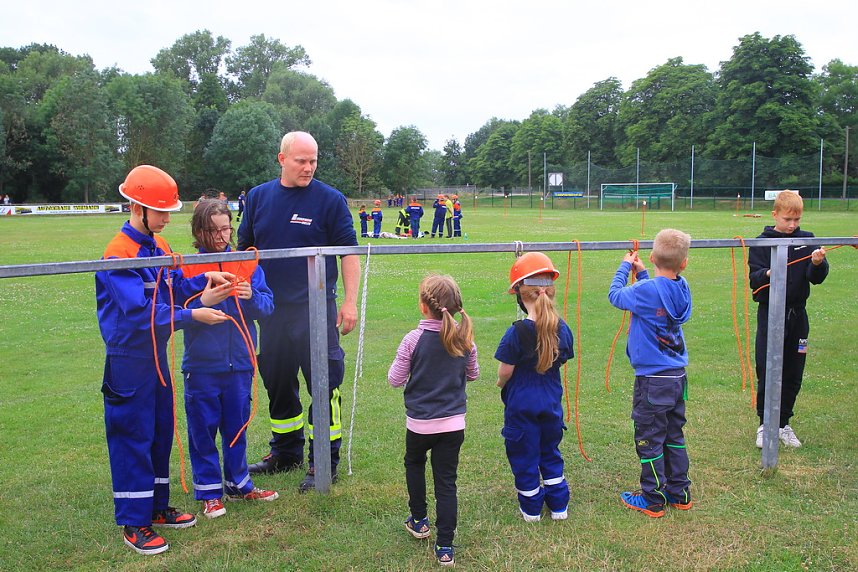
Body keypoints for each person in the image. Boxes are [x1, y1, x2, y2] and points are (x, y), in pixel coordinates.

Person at [96, 165, 233, 555]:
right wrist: (193, 315)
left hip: (155, 354)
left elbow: (173, 291)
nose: (168, 218)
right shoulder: (118, 252)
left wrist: (205, 280)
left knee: (159, 432)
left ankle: (156, 508)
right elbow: (139, 314)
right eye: (161, 211)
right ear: (137, 207)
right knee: (132, 436)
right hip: (128, 358)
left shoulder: (159, 248)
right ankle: (133, 522)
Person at [238, 131, 359, 492]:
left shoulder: (330, 200)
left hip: (316, 309)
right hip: (270, 311)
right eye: (301, 161)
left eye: (313, 161)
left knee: (324, 383)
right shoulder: (258, 198)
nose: (308, 168)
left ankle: (323, 459)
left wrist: (350, 302)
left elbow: (348, 253)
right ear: (282, 159)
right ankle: (285, 451)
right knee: (277, 382)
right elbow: (245, 251)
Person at [181, 199, 279, 520]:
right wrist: (199, 302)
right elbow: (177, 308)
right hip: (202, 366)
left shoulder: (247, 262)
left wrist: (252, 297)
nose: (222, 236)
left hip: (240, 362)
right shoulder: (187, 267)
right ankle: (209, 492)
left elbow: (268, 306)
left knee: (237, 428)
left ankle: (239, 483)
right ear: (199, 231)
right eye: (214, 230)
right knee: (203, 431)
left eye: (226, 229)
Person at [388, 274, 479, 567]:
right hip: (453, 426)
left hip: (420, 424)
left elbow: (394, 379)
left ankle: (419, 520)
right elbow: (474, 374)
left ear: (424, 306)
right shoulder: (465, 339)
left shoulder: (413, 339)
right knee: (446, 482)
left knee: (414, 464)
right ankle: (445, 547)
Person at [608, 228, 693, 518]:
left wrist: (624, 266)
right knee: (673, 434)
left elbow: (616, 296)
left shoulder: (647, 292)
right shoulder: (682, 288)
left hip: (652, 382)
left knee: (649, 437)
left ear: (653, 256)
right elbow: (658, 301)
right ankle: (679, 492)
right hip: (677, 377)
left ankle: (653, 498)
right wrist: (644, 275)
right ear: (684, 264)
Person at [495, 252, 574, 522]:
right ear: (550, 293)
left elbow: (506, 369)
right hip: (551, 403)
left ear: (519, 293)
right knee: (550, 452)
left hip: (521, 406)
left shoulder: (516, 332)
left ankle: (531, 510)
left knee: (524, 455)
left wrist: (500, 383)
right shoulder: (562, 329)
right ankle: (559, 507)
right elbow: (561, 358)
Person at [748, 190, 828, 449]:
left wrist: (817, 264)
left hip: (798, 316)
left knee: (794, 371)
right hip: (771, 313)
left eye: (797, 220)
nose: (792, 225)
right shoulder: (761, 242)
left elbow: (816, 278)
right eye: (787, 220)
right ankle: (765, 424)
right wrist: (770, 272)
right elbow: (754, 279)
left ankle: (783, 424)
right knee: (768, 368)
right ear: (775, 215)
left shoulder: (807, 240)